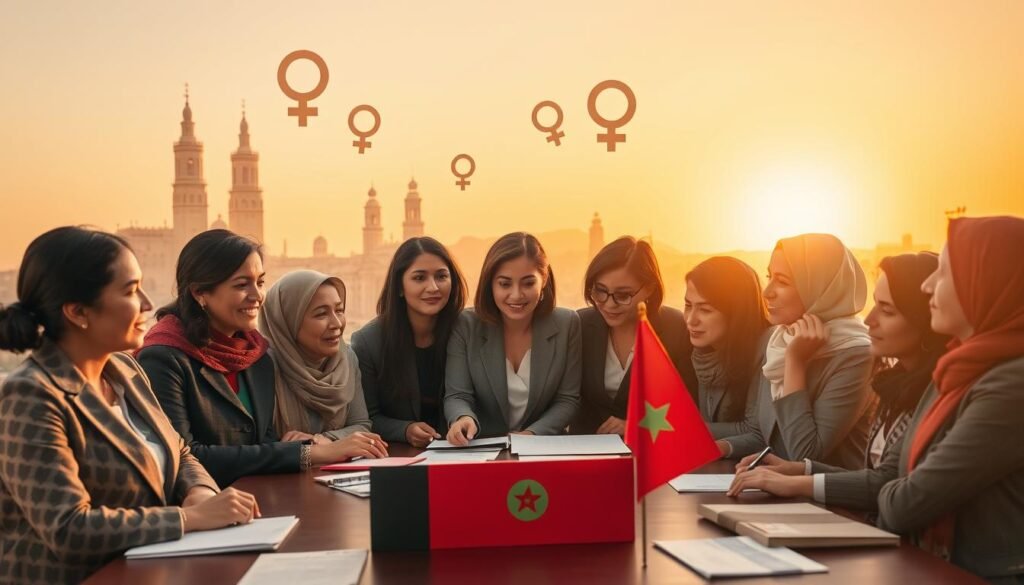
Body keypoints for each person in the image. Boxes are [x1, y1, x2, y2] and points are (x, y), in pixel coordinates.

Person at [0, 227, 258, 584]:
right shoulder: (30, 395)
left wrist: (199, 492)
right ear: (78, 311)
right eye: (131, 291)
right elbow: (68, 528)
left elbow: (179, 450)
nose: (148, 304)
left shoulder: (125, 370)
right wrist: (188, 519)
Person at [138, 230, 383, 487]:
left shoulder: (254, 355)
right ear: (200, 293)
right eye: (242, 285)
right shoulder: (164, 357)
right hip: (199, 509)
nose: (257, 296)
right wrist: (310, 452)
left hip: (258, 501)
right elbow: (184, 457)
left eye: (260, 282)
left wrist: (309, 446)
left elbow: (264, 443)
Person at [727, 253, 949, 509]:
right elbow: (879, 477)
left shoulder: (858, 355)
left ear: (926, 320)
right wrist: (801, 471)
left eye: (886, 310)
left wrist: (795, 363)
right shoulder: (895, 381)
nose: (869, 319)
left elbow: (887, 482)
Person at [874, 217, 1024, 581]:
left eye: (942, 274)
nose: (927, 287)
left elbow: (907, 504)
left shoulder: (1011, 385)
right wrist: (895, 489)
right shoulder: (955, 370)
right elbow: (896, 482)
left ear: (984, 283)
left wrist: (892, 490)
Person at [717, 233, 875, 469]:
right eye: (769, 277)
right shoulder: (777, 339)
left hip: (832, 504)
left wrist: (795, 362)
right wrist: (715, 446)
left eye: (782, 281)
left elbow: (805, 454)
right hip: (776, 494)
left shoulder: (857, 356)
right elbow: (761, 434)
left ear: (820, 287)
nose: (767, 291)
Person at [445, 232, 581, 444]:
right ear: (491, 284)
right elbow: (457, 395)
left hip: (542, 448)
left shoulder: (567, 324)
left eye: (528, 283)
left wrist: (531, 436)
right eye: (505, 284)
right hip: (482, 448)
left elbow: (567, 399)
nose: (516, 295)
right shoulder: (466, 325)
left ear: (543, 280)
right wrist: (463, 418)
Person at [570, 236, 696, 435]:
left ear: (649, 289)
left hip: (652, 449)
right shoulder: (581, 325)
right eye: (600, 291)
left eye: (623, 295)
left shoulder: (676, 329)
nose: (609, 304)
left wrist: (636, 425)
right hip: (588, 447)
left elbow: (691, 407)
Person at [352, 237, 468, 447]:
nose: (433, 287)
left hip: (465, 451)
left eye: (441, 276)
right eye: (419, 278)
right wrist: (405, 430)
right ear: (399, 287)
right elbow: (366, 418)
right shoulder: (368, 342)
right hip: (401, 457)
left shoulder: (466, 330)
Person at [259, 270, 384, 446]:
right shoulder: (262, 366)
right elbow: (257, 445)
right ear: (288, 320)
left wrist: (323, 440)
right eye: (321, 314)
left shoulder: (346, 359)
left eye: (339, 311)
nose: (337, 324)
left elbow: (361, 425)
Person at [684, 256, 771, 437]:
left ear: (736, 312)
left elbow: (755, 431)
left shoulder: (767, 348)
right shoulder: (704, 348)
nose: (691, 320)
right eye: (688, 305)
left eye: (705, 310)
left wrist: (680, 430)